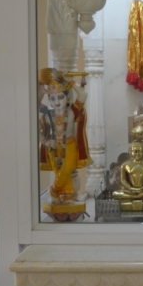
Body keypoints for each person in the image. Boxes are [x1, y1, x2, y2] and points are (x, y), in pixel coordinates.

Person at [38, 68, 91, 205]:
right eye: (53, 98)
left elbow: (83, 94)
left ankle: (54, 191)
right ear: (49, 100)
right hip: (53, 147)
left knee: (66, 169)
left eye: (60, 97)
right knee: (59, 172)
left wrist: (71, 82)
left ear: (67, 98)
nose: (57, 101)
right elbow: (37, 129)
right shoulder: (47, 114)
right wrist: (46, 141)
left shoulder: (72, 111)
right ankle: (67, 195)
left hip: (70, 145)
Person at [112, 131, 143, 210]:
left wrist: (142, 189)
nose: (137, 154)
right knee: (115, 194)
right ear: (130, 152)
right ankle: (137, 197)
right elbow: (123, 180)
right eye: (135, 151)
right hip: (130, 191)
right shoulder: (125, 164)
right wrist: (131, 189)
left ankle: (135, 198)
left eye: (140, 151)